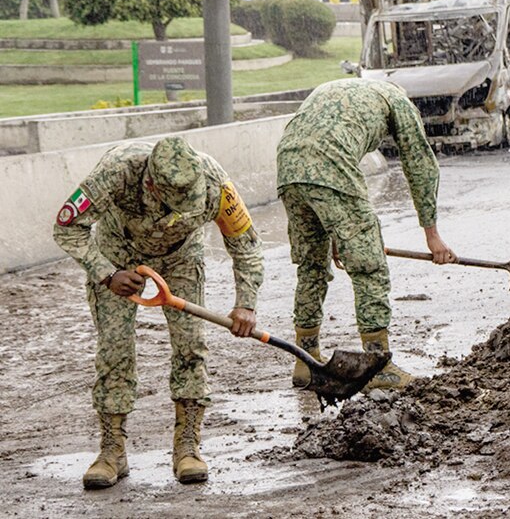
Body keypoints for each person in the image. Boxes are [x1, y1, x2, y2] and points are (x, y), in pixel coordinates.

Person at [53, 137, 264, 489]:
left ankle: (187, 446)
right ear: (151, 183)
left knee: (190, 347)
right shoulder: (117, 171)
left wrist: (246, 302)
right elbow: (66, 227)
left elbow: (246, 245)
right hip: (117, 257)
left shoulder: (215, 184)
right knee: (114, 349)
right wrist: (106, 273)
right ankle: (112, 450)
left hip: (181, 258)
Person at [276, 79, 455, 392]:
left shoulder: (337, 89)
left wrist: (334, 233)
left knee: (311, 267)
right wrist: (432, 235)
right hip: (330, 164)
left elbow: (317, 140)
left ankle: (305, 360)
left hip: (288, 166)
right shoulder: (397, 101)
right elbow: (420, 165)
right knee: (368, 264)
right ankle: (377, 367)